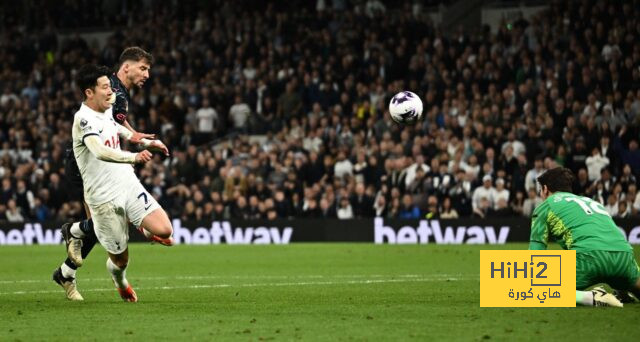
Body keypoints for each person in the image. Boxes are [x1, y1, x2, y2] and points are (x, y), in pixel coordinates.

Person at [52, 62, 172, 302]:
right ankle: (115, 275)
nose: (111, 92)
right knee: (119, 259)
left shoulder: (106, 106)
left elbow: (114, 126)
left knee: (165, 230)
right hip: (102, 192)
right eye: (106, 87)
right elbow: (99, 151)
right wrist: (134, 156)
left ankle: (72, 250)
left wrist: (138, 138)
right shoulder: (83, 119)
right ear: (89, 92)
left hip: (125, 181)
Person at [529, 167, 640, 307]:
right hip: (624, 257)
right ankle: (623, 290)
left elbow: (535, 257)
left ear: (545, 189)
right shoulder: (591, 201)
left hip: (588, 259)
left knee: (531, 286)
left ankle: (592, 297)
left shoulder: (545, 206)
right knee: (632, 281)